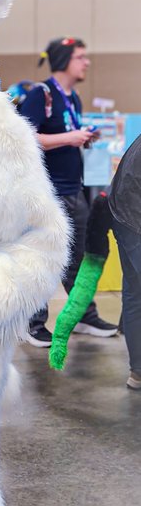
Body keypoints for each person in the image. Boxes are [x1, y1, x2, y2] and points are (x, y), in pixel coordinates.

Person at [18, 36, 117, 346]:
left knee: (84, 256)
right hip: (48, 193)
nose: (86, 62)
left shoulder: (73, 98)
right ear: (63, 61)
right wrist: (69, 137)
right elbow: (26, 138)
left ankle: (84, 314)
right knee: (45, 258)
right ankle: (33, 322)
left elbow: (63, 135)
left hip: (74, 191)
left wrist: (81, 138)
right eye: (80, 57)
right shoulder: (40, 94)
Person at [109, 134, 141, 389]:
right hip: (133, 215)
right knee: (134, 296)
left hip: (122, 213)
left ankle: (138, 372)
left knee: (134, 295)